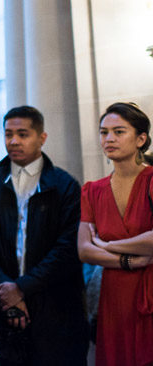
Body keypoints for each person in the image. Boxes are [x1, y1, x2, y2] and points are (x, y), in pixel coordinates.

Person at [0, 106, 88, 365]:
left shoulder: (64, 185)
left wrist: (21, 288)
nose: (13, 141)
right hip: (7, 308)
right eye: (8, 134)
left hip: (56, 306)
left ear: (42, 138)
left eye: (22, 134)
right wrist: (7, 289)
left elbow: (67, 246)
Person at [78, 102, 153, 366]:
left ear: (140, 139)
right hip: (114, 296)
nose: (109, 139)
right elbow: (84, 250)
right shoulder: (92, 190)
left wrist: (107, 245)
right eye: (104, 132)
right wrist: (129, 260)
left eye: (119, 132)